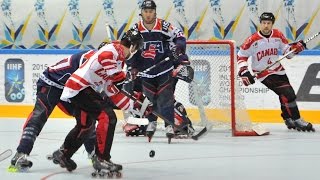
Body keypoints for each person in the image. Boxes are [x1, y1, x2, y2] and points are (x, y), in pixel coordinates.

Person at [50, 29, 146, 173]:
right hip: (80, 87)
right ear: (133, 46)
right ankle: (102, 159)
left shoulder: (119, 61)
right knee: (107, 117)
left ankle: (64, 153)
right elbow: (112, 70)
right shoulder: (112, 50)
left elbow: (112, 91)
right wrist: (124, 77)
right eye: (137, 48)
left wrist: (136, 106)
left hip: (82, 89)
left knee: (86, 125)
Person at [7, 47, 102, 172]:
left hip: (72, 88)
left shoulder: (105, 67)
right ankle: (20, 154)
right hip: (51, 82)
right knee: (40, 115)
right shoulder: (90, 61)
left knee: (87, 120)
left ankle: (69, 153)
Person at [128, 0, 193, 142]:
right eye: (146, 11)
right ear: (142, 12)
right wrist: (131, 66)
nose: (148, 14)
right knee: (150, 99)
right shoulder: (136, 28)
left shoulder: (164, 25)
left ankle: (169, 124)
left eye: (151, 11)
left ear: (155, 12)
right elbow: (128, 48)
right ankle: (152, 122)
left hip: (164, 68)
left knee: (165, 97)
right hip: (146, 71)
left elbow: (180, 37)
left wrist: (178, 49)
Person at [237, 12, 314, 132]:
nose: (266, 26)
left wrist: (296, 48)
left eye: (268, 23)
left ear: (272, 24)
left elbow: (287, 53)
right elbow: (241, 56)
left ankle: (288, 119)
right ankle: (297, 120)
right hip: (263, 73)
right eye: (263, 23)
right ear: (260, 24)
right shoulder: (252, 40)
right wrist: (244, 71)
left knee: (284, 95)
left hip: (278, 70)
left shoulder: (278, 35)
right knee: (289, 94)